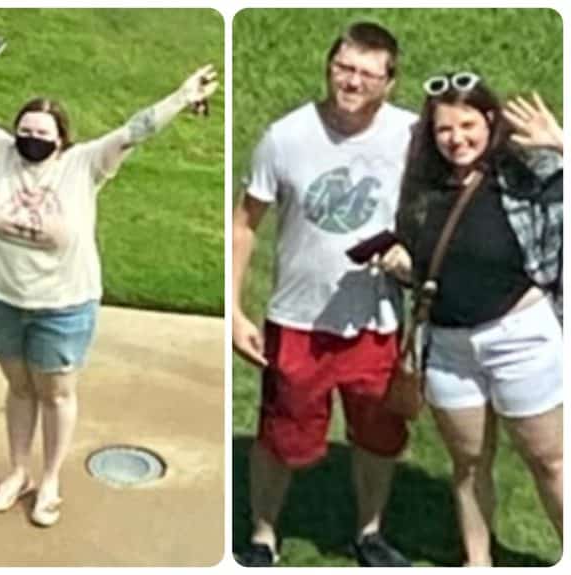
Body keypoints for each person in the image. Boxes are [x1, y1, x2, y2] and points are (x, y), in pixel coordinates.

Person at [0, 31, 217, 527]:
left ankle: (49, 481)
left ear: (61, 139)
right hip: (1, 299)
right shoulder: (0, 153)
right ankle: (17, 473)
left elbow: (136, 129)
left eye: (43, 132)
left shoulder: (86, 163)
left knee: (55, 392)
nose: (32, 138)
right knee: (19, 387)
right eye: (25, 129)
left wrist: (182, 96)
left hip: (63, 306)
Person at [231, 22, 417, 567]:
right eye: (344, 68)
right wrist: (235, 308)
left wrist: (411, 256)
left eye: (367, 73)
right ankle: (264, 535)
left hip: (377, 321)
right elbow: (245, 225)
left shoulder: (412, 136)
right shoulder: (286, 136)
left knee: (378, 434)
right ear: (329, 66)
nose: (352, 82)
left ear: (389, 81)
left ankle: (369, 532)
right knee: (279, 435)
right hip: (298, 320)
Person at [378, 74, 562, 566]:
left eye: (467, 125)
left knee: (549, 461)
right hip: (448, 348)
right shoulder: (420, 187)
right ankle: (476, 562)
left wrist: (562, 146)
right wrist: (402, 265)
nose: (457, 138)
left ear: (490, 121)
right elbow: (423, 262)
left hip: (520, 338)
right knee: (468, 464)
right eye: (444, 130)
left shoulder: (523, 172)